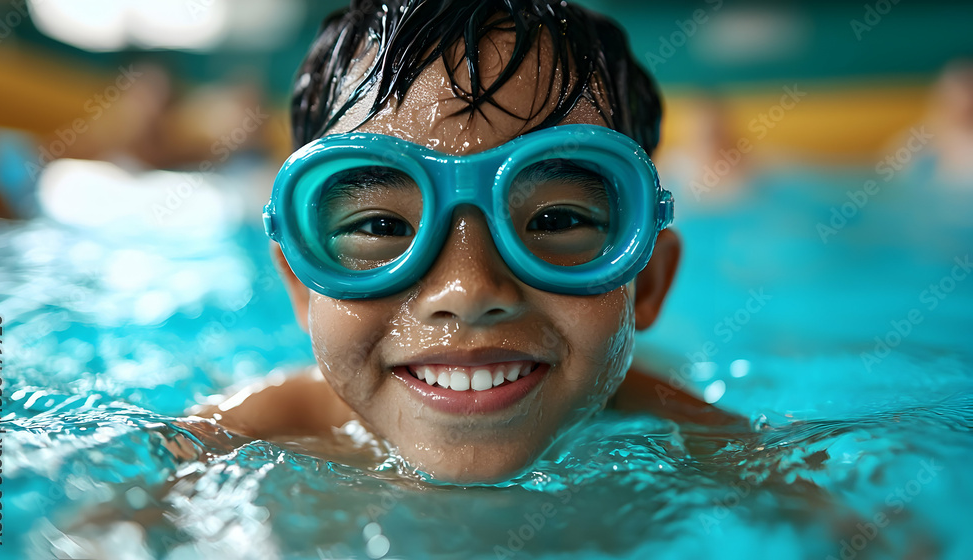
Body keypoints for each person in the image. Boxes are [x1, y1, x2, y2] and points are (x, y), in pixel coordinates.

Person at [196, 0, 742, 484]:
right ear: (299, 283)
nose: (469, 289)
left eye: (553, 221)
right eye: (381, 227)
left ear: (645, 278)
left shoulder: (711, 452)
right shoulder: (230, 445)